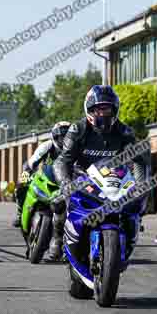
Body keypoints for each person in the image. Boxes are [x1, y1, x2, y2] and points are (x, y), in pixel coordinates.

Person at [49, 85, 148, 263]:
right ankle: (58, 239)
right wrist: (65, 184)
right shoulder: (77, 129)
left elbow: (139, 160)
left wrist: (141, 187)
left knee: (134, 209)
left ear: (115, 109)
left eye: (107, 108)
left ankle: (126, 241)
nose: (103, 113)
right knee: (59, 202)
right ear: (90, 109)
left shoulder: (125, 132)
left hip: (113, 179)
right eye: (99, 109)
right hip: (82, 178)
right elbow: (63, 161)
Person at [13, 121, 71, 228]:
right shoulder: (47, 146)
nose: (63, 140)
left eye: (67, 137)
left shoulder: (76, 147)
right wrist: (26, 173)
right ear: (54, 136)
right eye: (61, 137)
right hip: (45, 176)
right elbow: (31, 162)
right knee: (21, 185)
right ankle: (20, 212)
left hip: (66, 180)